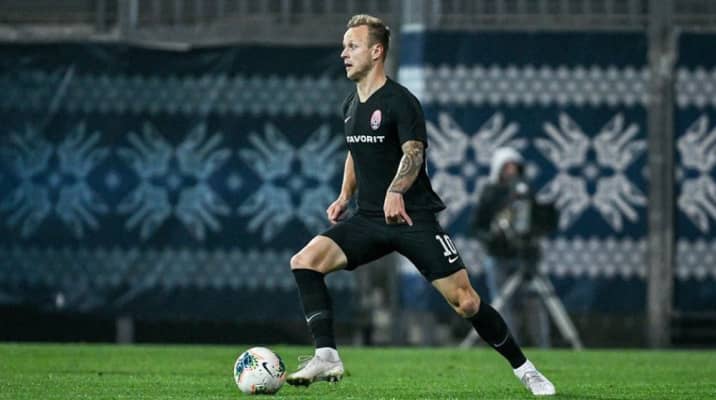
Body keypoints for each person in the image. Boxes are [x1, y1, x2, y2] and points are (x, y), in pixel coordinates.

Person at [286, 14, 555, 396]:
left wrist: (396, 189)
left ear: (376, 52)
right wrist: (345, 195)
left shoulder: (400, 101)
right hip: (369, 219)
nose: (344, 53)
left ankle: (526, 369)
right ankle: (326, 355)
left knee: (466, 302)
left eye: (353, 46)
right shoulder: (350, 105)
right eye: (344, 46)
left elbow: (414, 152)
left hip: (412, 219)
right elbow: (355, 152)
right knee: (305, 262)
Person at [473, 147, 555, 348]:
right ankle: (510, 346)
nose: (511, 171)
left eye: (514, 167)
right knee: (503, 304)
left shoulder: (526, 192)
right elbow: (477, 226)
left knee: (534, 301)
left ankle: (543, 345)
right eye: (506, 167)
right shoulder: (490, 193)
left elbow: (537, 220)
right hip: (498, 256)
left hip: (525, 257)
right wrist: (492, 237)